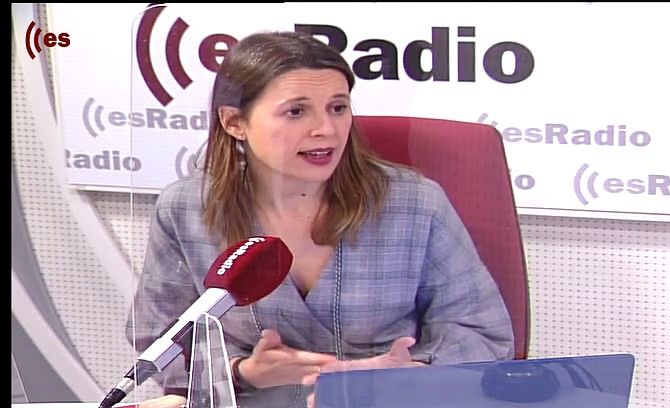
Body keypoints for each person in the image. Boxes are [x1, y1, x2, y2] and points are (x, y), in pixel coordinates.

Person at [126, 30, 514, 408]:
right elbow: (160, 338)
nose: (326, 130)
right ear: (234, 123)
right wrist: (242, 371)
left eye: (338, 108)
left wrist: (411, 373)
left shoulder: (415, 203)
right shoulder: (185, 209)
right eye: (296, 111)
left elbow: (480, 330)